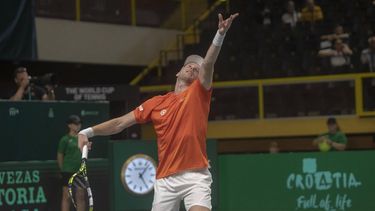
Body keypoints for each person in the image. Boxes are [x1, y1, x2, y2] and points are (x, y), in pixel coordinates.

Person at [78, 13, 239, 211]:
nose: (192, 67)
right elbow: (120, 123)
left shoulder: (199, 93)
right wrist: (87, 132)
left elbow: (208, 64)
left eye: (196, 68)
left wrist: (219, 34)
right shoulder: (156, 103)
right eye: (188, 64)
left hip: (196, 176)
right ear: (178, 72)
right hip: (165, 181)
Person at [57, 115, 85, 211]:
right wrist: (62, 169)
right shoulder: (65, 139)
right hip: (67, 170)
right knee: (67, 196)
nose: (78, 126)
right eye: (75, 124)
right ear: (69, 125)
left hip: (79, 171)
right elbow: (60, 155)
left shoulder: (83, 138)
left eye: (79, 124)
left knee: (80, 196)